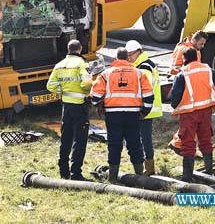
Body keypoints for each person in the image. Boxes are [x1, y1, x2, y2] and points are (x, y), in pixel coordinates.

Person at [90, 47, 153, 183]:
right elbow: (149, 95)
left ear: (115, 59)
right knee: (135, 144)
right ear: (128, 58)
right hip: (133, 115)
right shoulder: (138, 73)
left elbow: (95, 96)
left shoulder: (106, 74)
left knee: (114, 145)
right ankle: (140, 177)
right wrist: (144, 112)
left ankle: (113, 179)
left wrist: (99, 105)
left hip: (113, 115)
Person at [170, 47, 215, 182]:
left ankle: (187, 177)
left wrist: (175, 106)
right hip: (206, 110)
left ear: (184, 59)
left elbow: (175, 95)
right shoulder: (208, 69)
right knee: (205, 140)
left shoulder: (183, 73)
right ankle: (209, 169)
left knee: (188, 143)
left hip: (189, 113)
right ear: (197, 57)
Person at [46, 39, 93, 180]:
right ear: (80, 49)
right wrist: (87, 89)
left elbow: (50, 86)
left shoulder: (59, 65)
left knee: (65, 138)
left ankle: (63, 171)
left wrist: (64, 90)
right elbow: (86, 84)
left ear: (68, 50)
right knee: (79, 140)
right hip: (80, 106)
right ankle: (76, 173)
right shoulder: (82, 64)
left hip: (66, 106)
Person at [126, 40, 162, 176]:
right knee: (144, 137)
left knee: (144, 138)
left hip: (146, 108)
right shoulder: (145, 63)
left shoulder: (144, 67)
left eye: (131, 55)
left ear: (139, 51)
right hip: (149, 107)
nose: (129, 58)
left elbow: (144, 90)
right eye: (128, 55)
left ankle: (149, 167)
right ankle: (148, 166)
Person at [168, 30, 208, 154]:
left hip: (192, 87)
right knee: (192, 123)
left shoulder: (193, 49)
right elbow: (173, 69)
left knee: (192, 123)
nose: (203, 46)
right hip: (187, 88)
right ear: (194, 40)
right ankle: (180, 145)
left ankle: (178, 143)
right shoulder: (183, 49)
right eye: (201, 43)